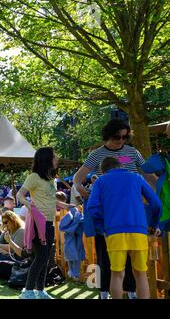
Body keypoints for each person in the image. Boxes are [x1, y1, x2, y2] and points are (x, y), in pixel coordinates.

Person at [73, 118, 156, 299]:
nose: (121, 140)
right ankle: (104, 292)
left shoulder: (132, 153)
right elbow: (77, 178)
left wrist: (159, 194)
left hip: (133, 211)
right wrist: (82, 190)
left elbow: (148, 176)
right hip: (109, 212)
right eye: (117, 137)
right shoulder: (97, 155)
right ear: (108, 136)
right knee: (107, 257)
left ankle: (131, 292)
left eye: (125, 137)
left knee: (134, 264)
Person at [86, 157, 162, 299]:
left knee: (117, 274)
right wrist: (154, 223)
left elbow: (92, 207)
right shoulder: (136, 177)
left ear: (103, 171)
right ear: (121, 166)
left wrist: (101, 227)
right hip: (139, 230)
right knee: (140, 274)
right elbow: (156, 203)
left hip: (113, 231)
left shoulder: (101, 181)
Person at [17, 147, 72, 299]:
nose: (57, 159)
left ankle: (40, 291)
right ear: (46, 159)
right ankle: (27, 291)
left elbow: (51, 199)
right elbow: (20, 194)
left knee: (45, 257)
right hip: (37, 223)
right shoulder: (34, 177)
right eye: (55, 157)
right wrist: (28, 205)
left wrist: (66, 206)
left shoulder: (52, 180)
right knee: (41, 256)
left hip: (49, 223)